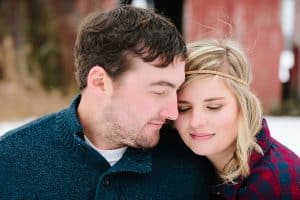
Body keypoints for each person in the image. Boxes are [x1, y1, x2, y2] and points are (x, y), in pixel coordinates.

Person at [0, 5, 214, 199]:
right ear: (100, 82)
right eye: (159, 91)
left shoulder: (192, 165)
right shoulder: (10, 161)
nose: (173, 113)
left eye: (176, 91)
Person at [174, 39, 300, 199]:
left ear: (243, 105)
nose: (195, 121)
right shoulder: (182, 162)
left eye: (214, 107)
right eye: (183, 108)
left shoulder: (273, 183)